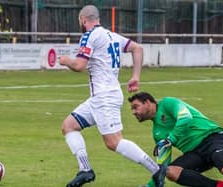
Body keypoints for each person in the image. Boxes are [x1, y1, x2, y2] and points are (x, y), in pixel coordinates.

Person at [59, 5, 166, 187]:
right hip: (100, 96)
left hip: (104, 97)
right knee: (69, 126)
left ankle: (156, 170)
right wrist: (135, 76)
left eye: (80, 21)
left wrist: (65, 60)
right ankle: (85, 170)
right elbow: (137, 48)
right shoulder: (112, 35)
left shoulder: (89, 35)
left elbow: (79, 65)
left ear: (83, 19)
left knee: (113, 142)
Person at [128, 92, 223, 187]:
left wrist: (170, 139)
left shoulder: (167, 103)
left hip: (211, 138)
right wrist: (152, 185)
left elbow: (185, 117)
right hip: (195, 153)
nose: (134, 112)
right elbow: (163, 166)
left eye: (136, 107)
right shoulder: (157, 132)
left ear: (147, 102)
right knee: (171, 171)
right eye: (132, 109)